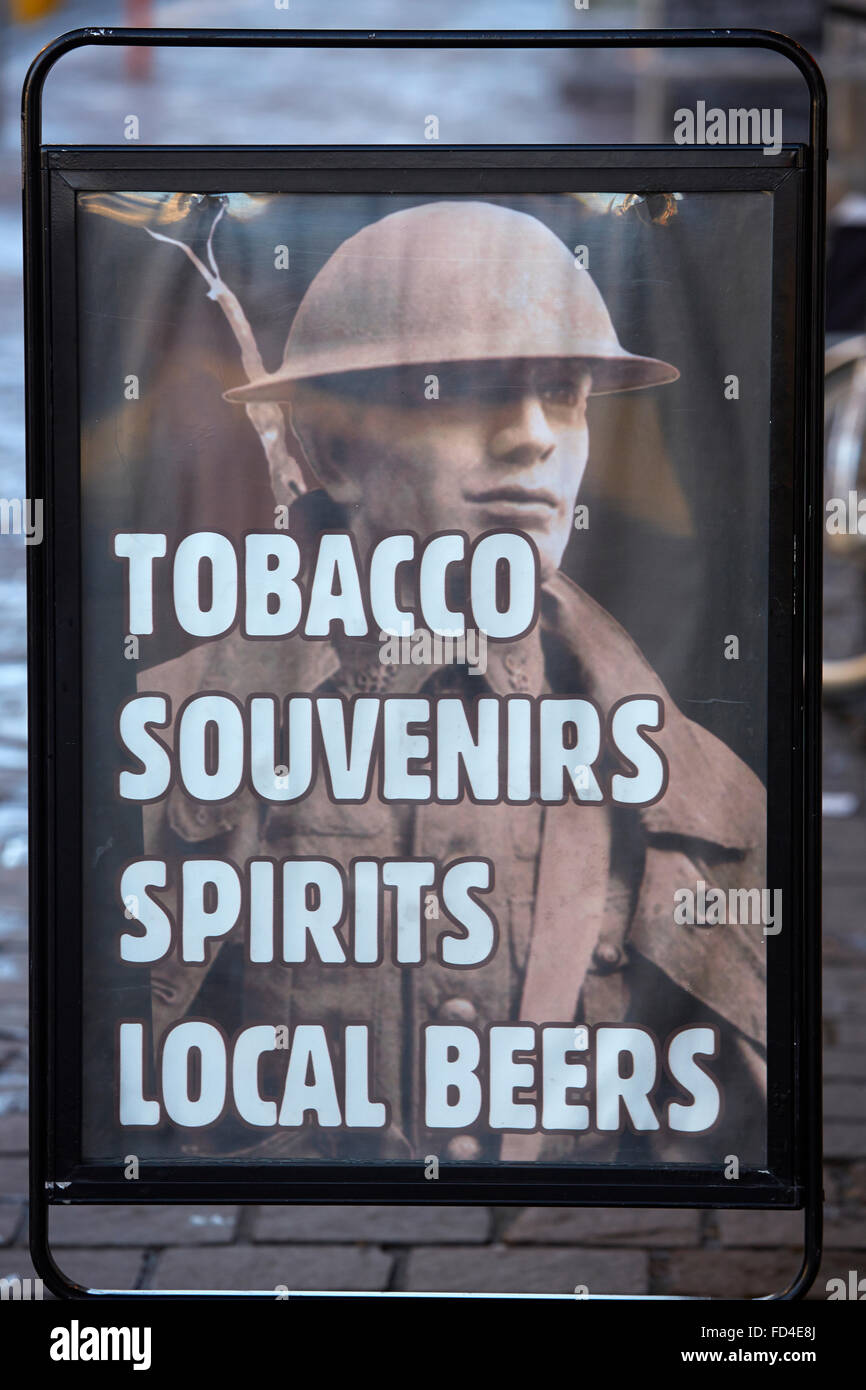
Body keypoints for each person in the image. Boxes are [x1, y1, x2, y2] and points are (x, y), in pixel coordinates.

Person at [139, 200, 767, 1167]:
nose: (532, 439)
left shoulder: (693, 790)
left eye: (563, 394)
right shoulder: (176, 739)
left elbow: (731, 1117)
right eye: (470, 388)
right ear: (336, 449)